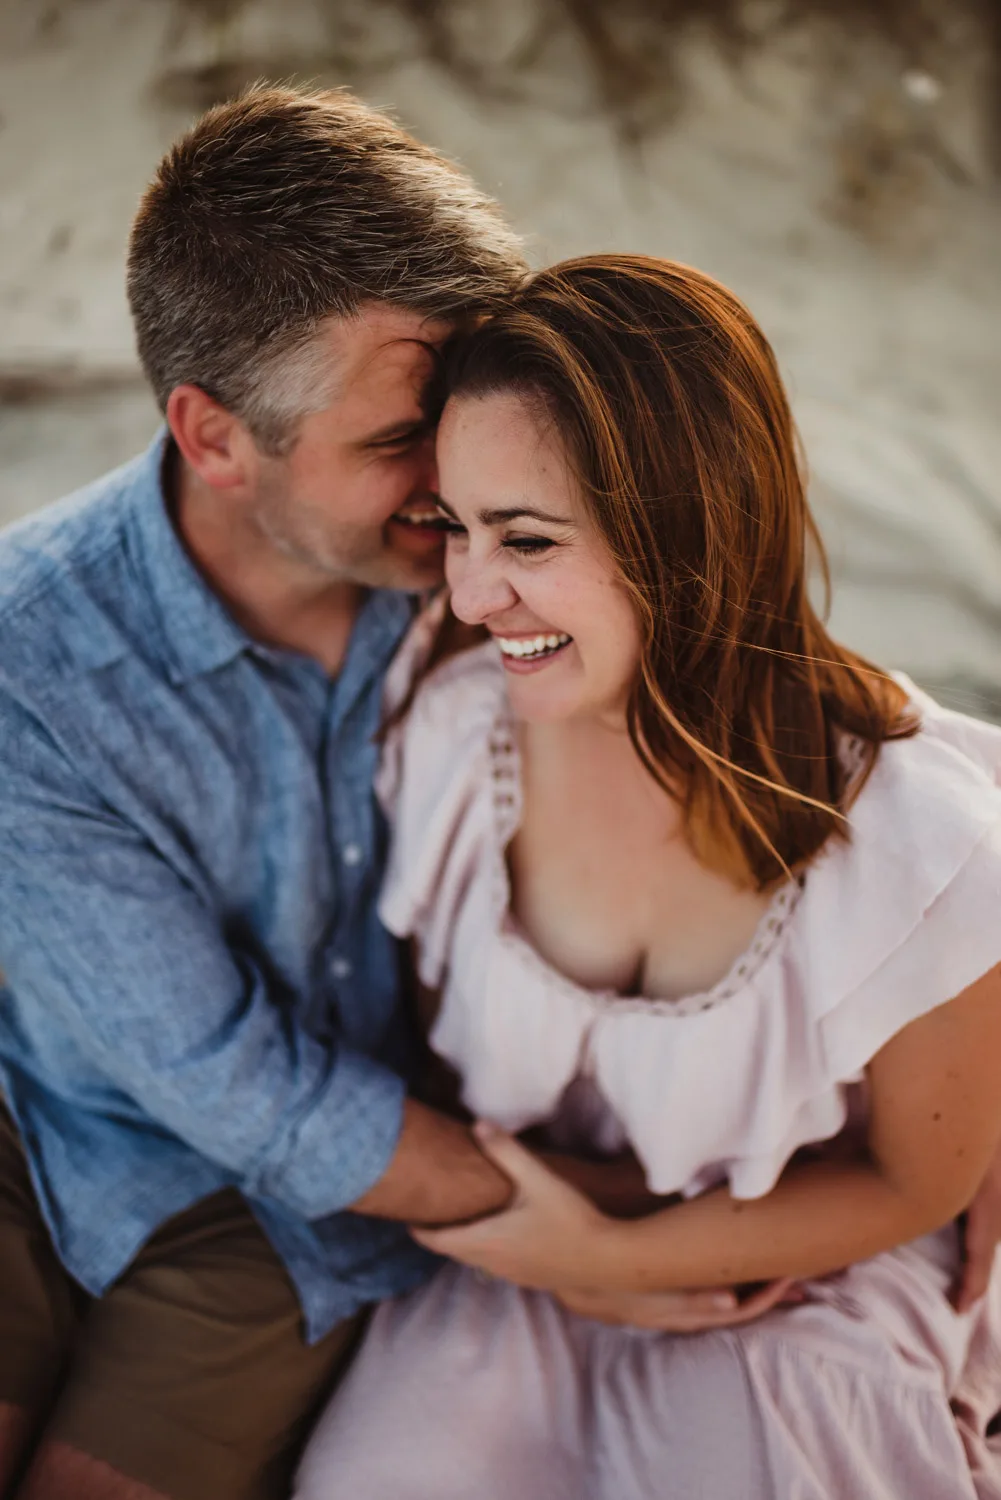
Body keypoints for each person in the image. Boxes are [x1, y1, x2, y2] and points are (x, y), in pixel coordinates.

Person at [294, 255, 1001, 1499]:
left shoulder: (913, 848)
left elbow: (914, 1179)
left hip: (800, 1273)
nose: (469, 590)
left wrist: (619, 1261)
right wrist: (564, 1256)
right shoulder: (450, 738)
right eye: (455, 527)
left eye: (524, 538)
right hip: (514, 1254)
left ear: (684, 528)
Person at [0, 83, 534, 1500]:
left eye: (469, 412)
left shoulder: (513, 546)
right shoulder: (27, 659)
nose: (458, 481)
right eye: (393, 444)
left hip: (295, 1210)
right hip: (54, 1109)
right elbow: (224, 1076)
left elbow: (786, 709)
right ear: (214, 435)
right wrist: (590, 1242)